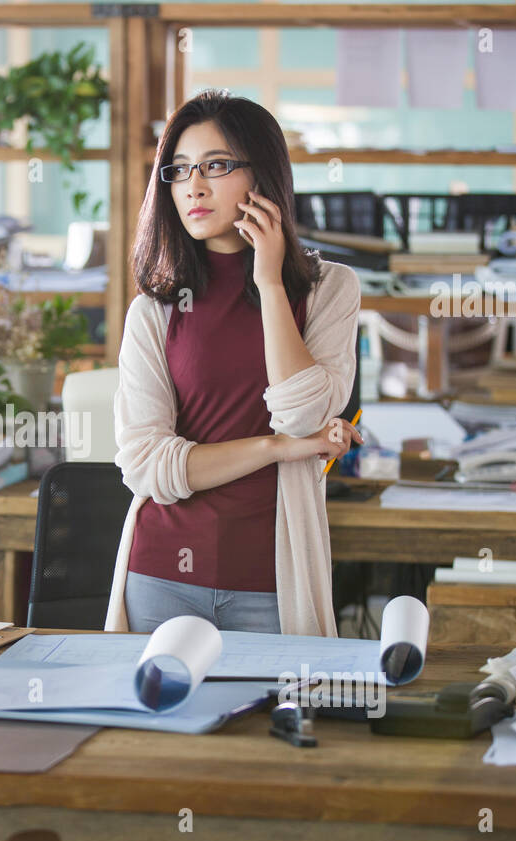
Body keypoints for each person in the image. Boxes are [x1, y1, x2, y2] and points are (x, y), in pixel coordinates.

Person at [104, 89, 363, 637]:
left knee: (275, 721)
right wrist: (276, 449)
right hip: (160, 575)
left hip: (272, 578)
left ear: (262, 174)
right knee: (153, 727)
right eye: (178, 170)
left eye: (216, 166)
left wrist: (269, 283)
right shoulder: (154, 311)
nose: (193, 186)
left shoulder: (327, 290)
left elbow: (303, 413)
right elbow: (145, 466)